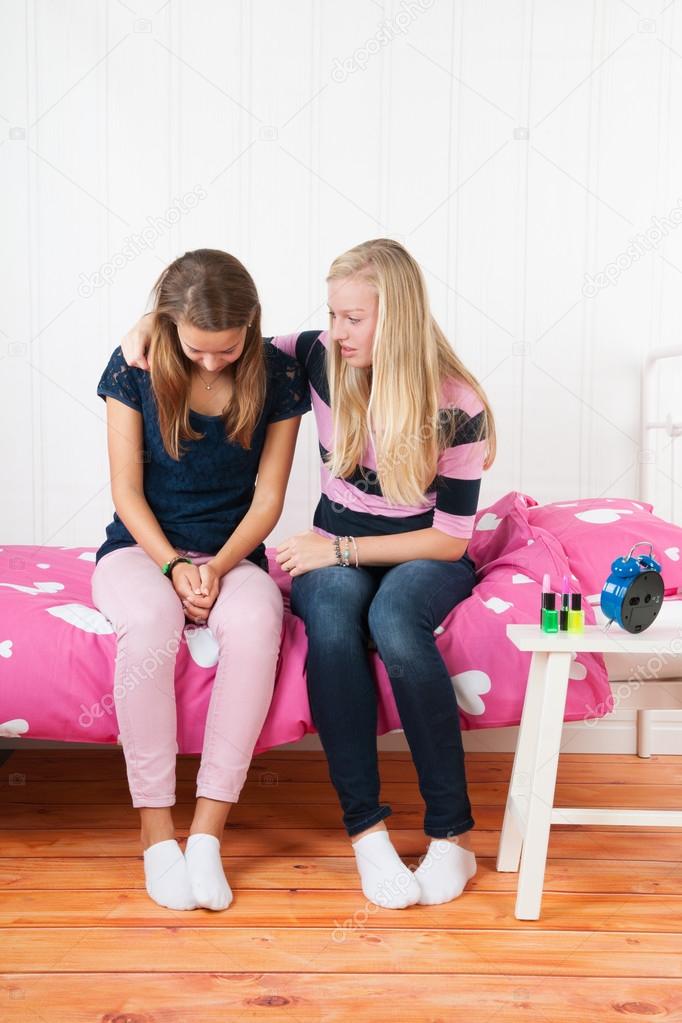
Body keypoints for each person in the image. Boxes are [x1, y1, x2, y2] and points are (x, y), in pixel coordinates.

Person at [120, 238, 496, 910]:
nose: (337, 330)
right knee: (327, 624)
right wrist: (151, 321)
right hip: (337, 542)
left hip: (420, 550)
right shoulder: (318, 358)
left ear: (399, 319)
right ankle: (367, 833)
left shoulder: (456, 404)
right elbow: (222, 335)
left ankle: (451, 835)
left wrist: (342, 552)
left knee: (394, 621)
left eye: (354, 318)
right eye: (333, 313)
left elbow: (449, 538)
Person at [92, 248, 310, 913]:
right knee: (153, 622)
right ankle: (157, 833)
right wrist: (173, 566)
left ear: (252, 326)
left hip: (232, 553)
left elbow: (268, 498)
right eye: (197, 348)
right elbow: (127, 492)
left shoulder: (276, 374)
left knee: (257, 620)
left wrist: (215, 565)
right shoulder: (134, 366)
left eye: (227, 348)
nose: (213, 360)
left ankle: (208, 834)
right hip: (140, 547)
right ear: (168, 325)